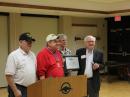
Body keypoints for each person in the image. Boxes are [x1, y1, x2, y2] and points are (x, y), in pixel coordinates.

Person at [5, 32, 37, 97]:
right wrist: (15, 90)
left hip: (30, 88)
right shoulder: (13, 55)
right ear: (20, 42)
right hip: (18, 88)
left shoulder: (33, 55)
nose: (30, 44)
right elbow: (8, 76)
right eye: (28, 41)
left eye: (31, 42)